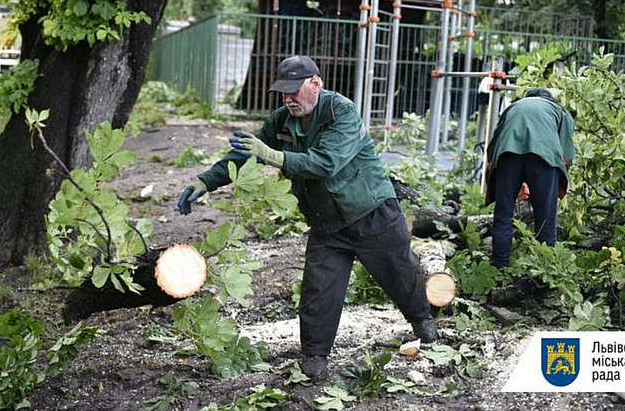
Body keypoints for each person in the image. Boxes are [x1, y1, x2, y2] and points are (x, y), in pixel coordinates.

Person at [177, 55, 437, 379]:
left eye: (294, 91)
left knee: (401, 275)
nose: (289, 99)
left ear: (316, 83)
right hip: (326, 224)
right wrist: (205, 180)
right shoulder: (280, 121)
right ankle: (314, 357)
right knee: (318, 293)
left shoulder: (340, 111)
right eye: (283, 92)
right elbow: (245, 155)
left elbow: (325, 163)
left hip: (371, 213)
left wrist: (270, 155)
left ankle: (424, 323)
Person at [484, 88, 575, 268]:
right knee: (546, 217)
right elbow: (566, 154)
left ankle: (499, 267)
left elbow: (494, 145)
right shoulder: (560, 112)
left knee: (503, 214)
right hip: (544, 158)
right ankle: (544, 269)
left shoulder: (513, 107)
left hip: (507, 155)